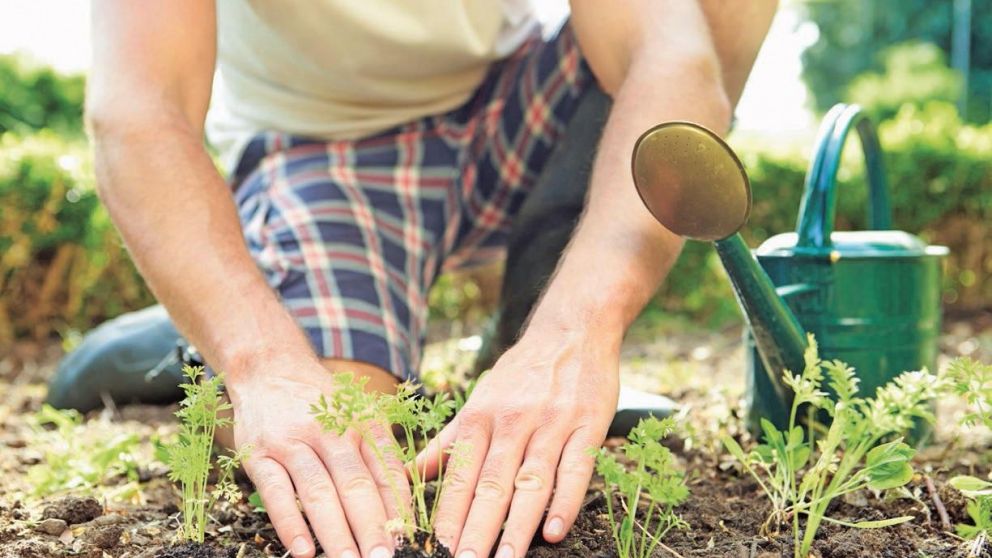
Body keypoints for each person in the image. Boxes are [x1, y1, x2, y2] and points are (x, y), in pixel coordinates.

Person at [60, 1, 775, 557]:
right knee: (348, 431)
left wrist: (574, 331)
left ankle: (524, 337)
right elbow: (137, 111)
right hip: (327, 150)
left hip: (512, 110)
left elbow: (672, 58)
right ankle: (215, 319)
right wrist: (260, 361)